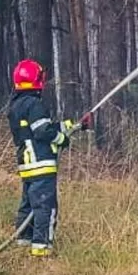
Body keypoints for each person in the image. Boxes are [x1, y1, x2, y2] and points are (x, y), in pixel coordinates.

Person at [7, 59, 90, 257]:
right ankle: (41, 250)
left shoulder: (16, 106)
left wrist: (76, 125)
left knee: (28, 207)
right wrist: (62, 139)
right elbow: (44, 131)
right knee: (45, 208)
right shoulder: (35, 104)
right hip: (42, 165)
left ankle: (23, 246)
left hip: (27, 167)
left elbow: (44, 127)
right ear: (36, 79)